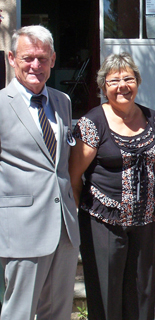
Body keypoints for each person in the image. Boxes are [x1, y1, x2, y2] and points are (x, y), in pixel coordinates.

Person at [69, 52, 155, 320]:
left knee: (142, 293)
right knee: (107, 294)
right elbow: (75, 176)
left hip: (146, 221)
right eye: (114, 81)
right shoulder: (92, 122)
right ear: (103, 86)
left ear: (138, 82)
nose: (122, 85)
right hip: (103, 223)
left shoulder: (151, 117)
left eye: (128, 79)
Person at [0, 25, 80, 320]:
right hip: (22, 228)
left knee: (58, 312)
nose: (36, 65)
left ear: (53, 60)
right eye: (28, 58)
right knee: (19, 312)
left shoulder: (63, 101)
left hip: (64, 228)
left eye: (43, 58)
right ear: (11, 58)